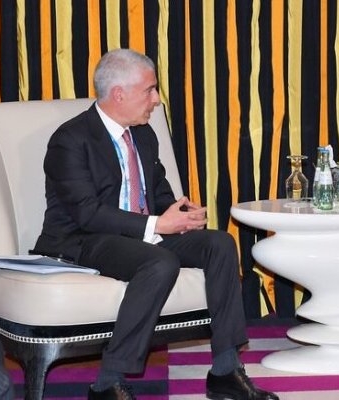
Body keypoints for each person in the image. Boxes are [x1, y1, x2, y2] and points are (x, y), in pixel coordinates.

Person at [33, 49, 278, 400]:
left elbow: (159, 193)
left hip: (139, 235)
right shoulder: (70, 139)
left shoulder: (143, 135)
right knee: (160, 262)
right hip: (84, 239)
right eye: (149, 90)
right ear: (119, 94)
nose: (156, 100)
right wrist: (158, 224)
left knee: (220, 243)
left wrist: (181, 213)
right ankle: (107, 382)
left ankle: (226, 369)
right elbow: (87, 213)